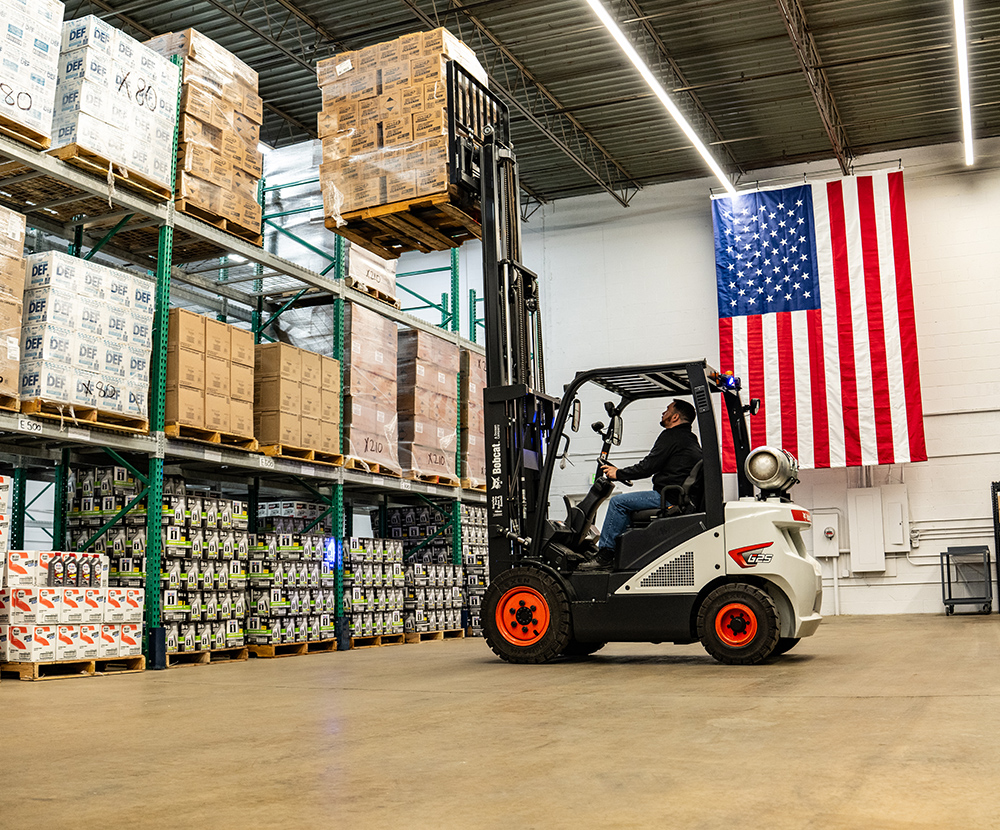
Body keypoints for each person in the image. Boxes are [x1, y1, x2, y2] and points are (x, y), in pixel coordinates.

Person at [583, 399, 701, 570]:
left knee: (618, 503)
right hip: (676, 495)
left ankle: (605, 555)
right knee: (628, 507)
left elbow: (648, 466)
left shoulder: (672, 436)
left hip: (667, 497)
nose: (663, 413)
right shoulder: (689, 439)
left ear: (675, 417)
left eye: (667, 410)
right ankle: (620, 553)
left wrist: (618, 473)